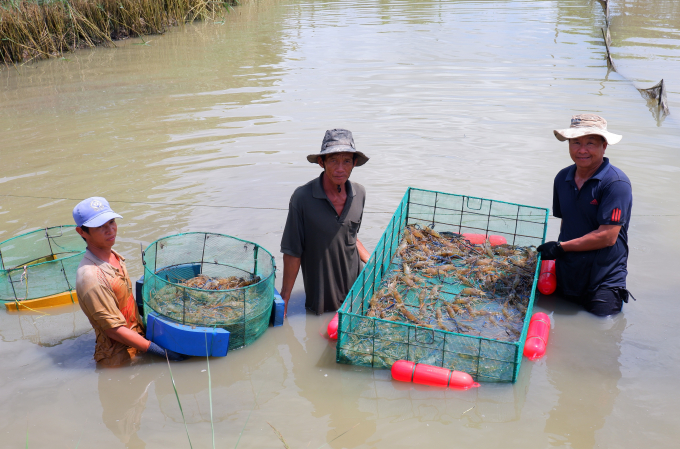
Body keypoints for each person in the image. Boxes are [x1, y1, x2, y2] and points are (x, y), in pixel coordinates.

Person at [537, 114, 634, 316]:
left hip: (604, 277)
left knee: (602, 329)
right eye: (576, 143)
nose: (582, 150)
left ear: (604, 145)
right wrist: (560, 253)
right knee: (561, 329)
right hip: (569, 272)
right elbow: (567, 221)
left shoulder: (615, 183)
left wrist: (559, 247)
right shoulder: (563, 177)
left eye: (590, 143)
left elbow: (608, 237)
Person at [73, 197, 186, 366]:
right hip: (120, 360)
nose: (110, 230)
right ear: (81, 232)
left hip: (139, 344)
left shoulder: (113, 256)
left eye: (111, 222)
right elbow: (114, 330)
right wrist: (160, 351)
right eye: (99, 227)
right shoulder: (91, 277)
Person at [280, 129, 371, 316]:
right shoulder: (302, 198)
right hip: (320, 300)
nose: (340, 168)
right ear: (322, 163)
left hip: (356, 294)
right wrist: (285, 299)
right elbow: (292, 252)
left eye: (347, 161)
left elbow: (351, 235)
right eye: (333, 161)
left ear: (354, 163)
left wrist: (373, 262)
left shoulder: (359, 193)